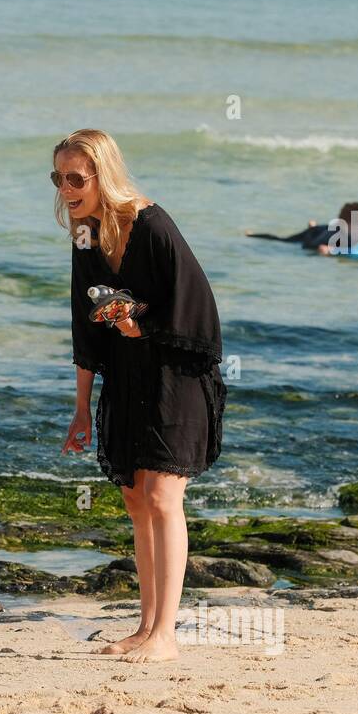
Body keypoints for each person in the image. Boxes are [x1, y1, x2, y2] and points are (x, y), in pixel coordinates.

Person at [56, 128, 226, 664]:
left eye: (76, 178)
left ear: (102, 174)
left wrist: (143, 326)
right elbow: (85, 328)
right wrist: (82, 406)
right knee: (135, 499)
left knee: (162, 498)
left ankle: (167, 637)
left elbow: (197, 307)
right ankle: (146, 627)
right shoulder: (85, 234)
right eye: (58, 178)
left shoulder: (151, 222)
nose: (66, 188)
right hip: (126, 379)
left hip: (176, 374)